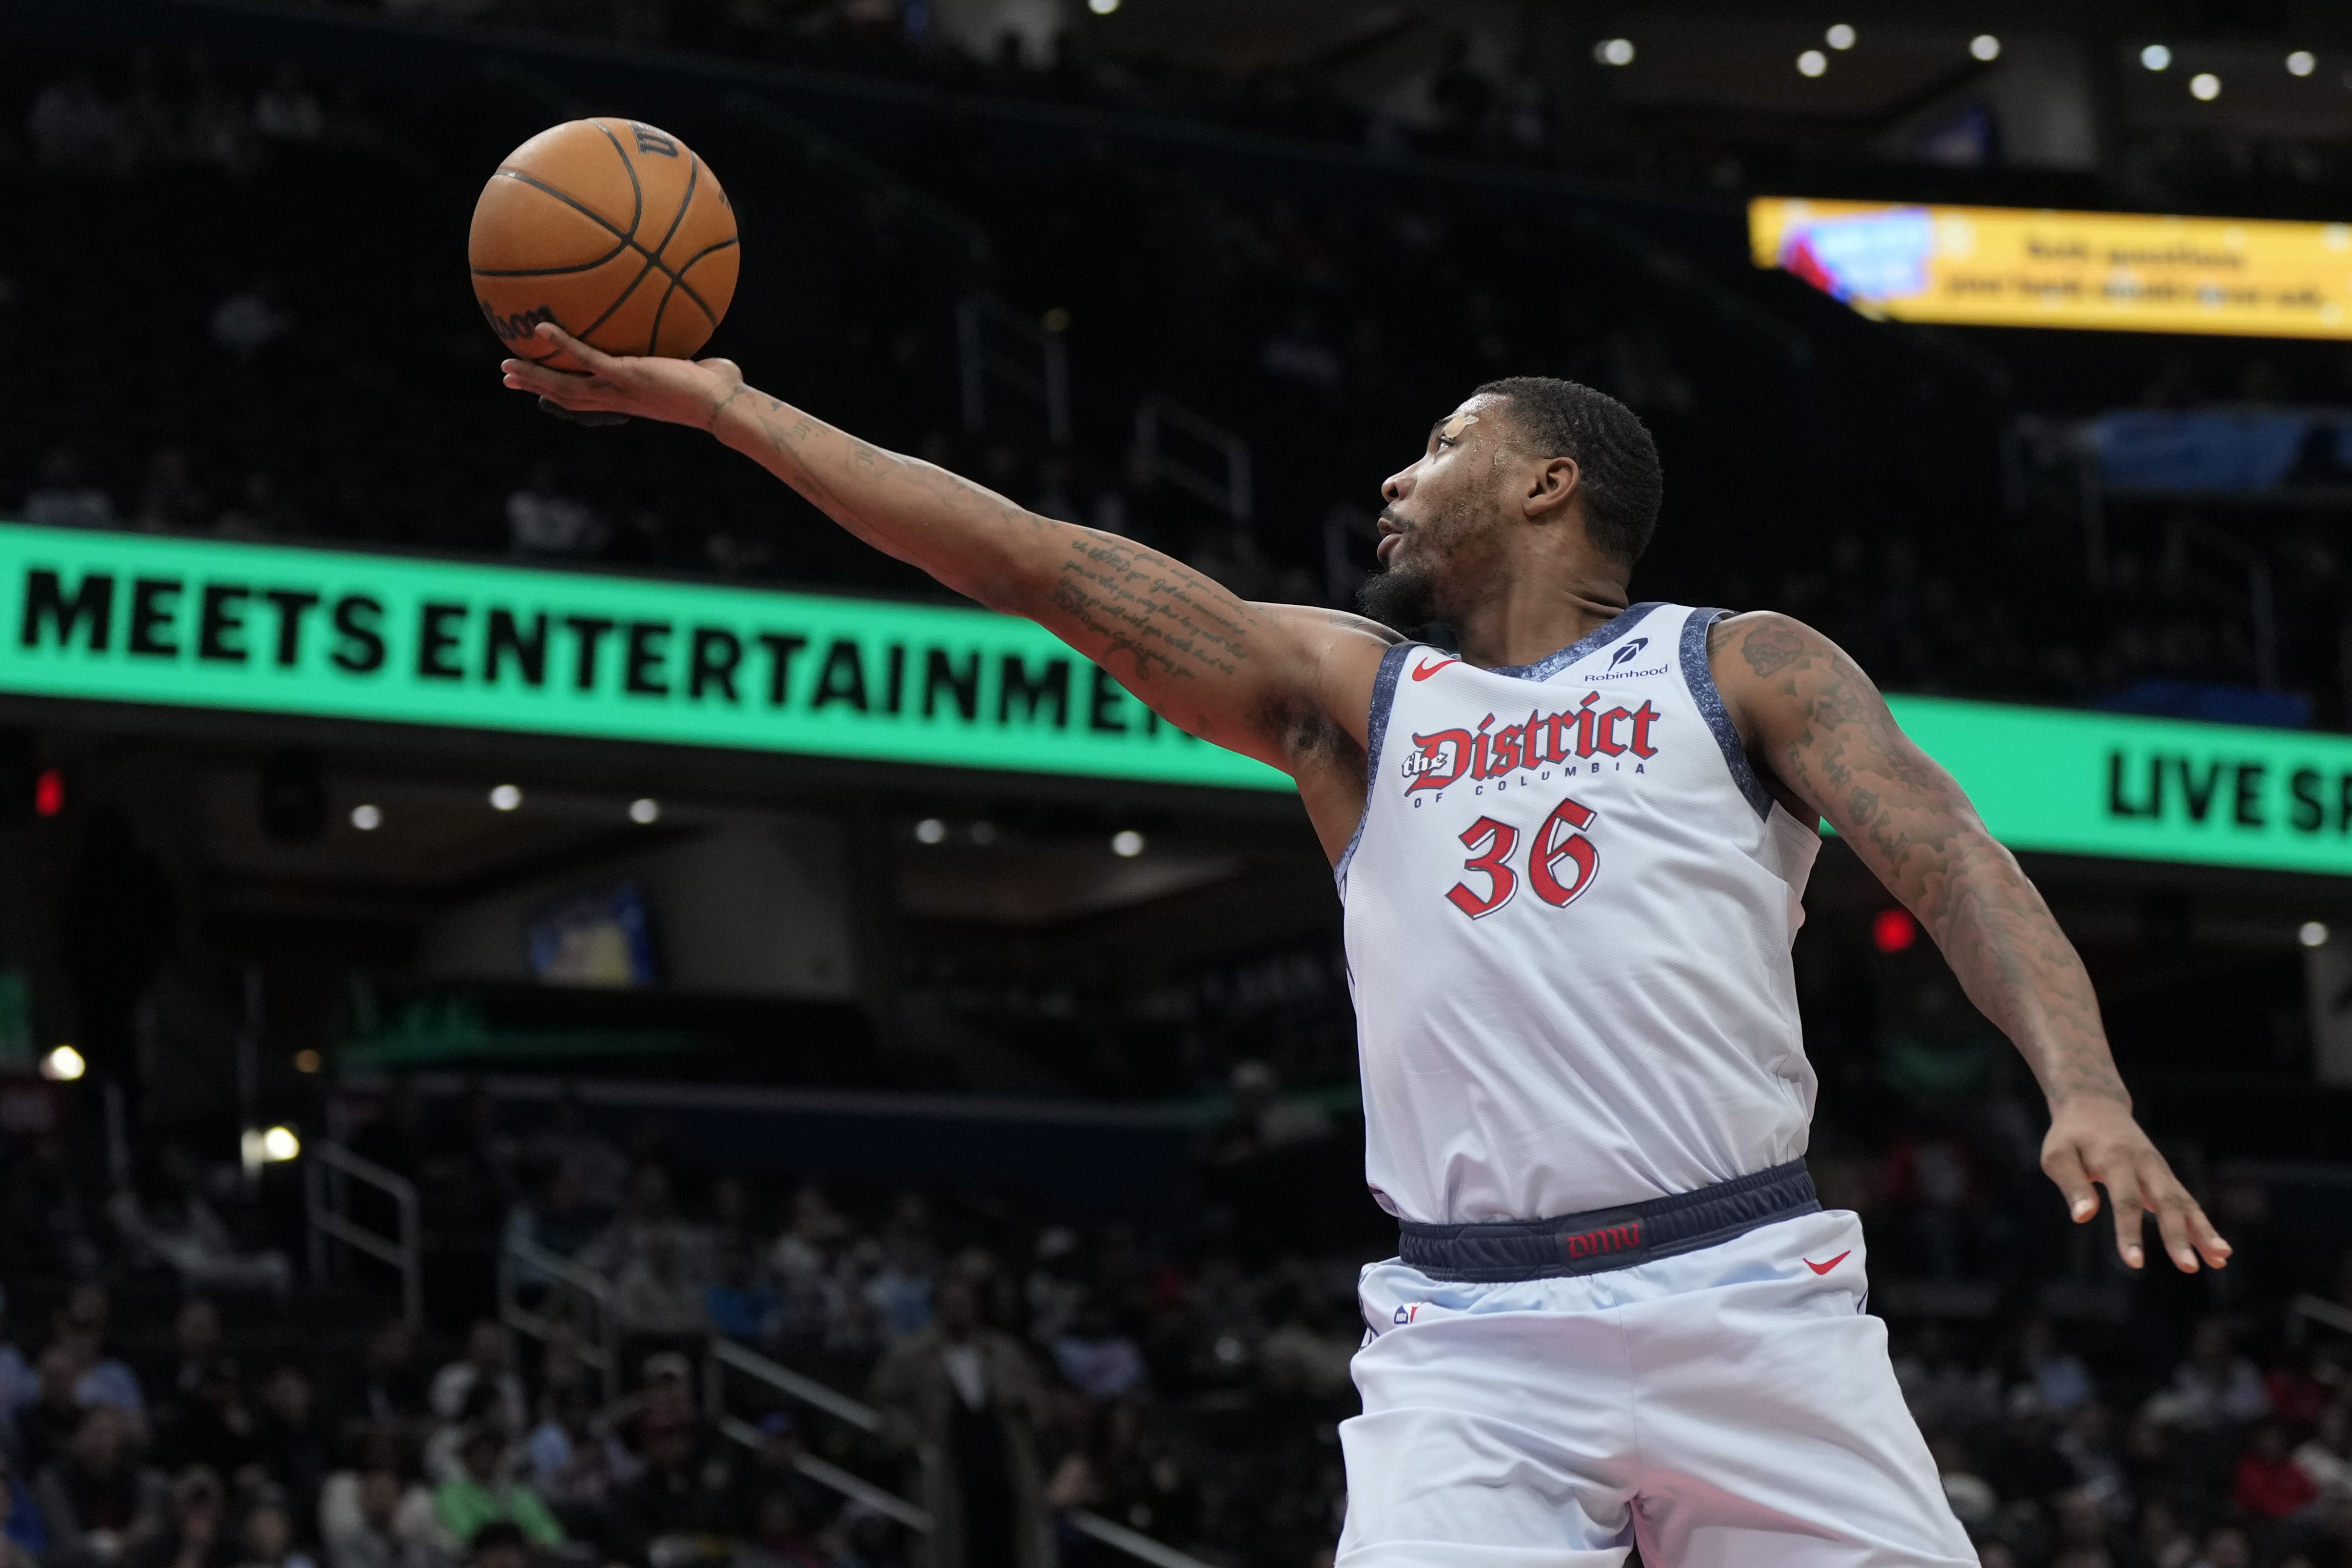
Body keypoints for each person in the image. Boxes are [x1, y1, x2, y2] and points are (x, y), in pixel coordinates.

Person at [507, 328, 2233, 1566]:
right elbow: (1044, 565)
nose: (1396, 476)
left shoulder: (1741, 663)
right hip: (1471, 1339)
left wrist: (2083, 1089)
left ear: (1548, 479)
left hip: (1746, 1300)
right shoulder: (1354, 697)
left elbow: (1949, 856)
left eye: (1441, 444)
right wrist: (734, 411)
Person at [868, 1277, 1050, 1568]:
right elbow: (887, 1400)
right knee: (952, 1545)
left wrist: (1030, 1408)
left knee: (1013, 1542)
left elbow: (1033, 1392)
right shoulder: (912, 1353)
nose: (959, 1312)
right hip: (948, 1463)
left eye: (965, 1305)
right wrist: (912, 1440)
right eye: (951, 1305)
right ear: (937, 1308)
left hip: (1002, 1462)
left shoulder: (1001, 1350)